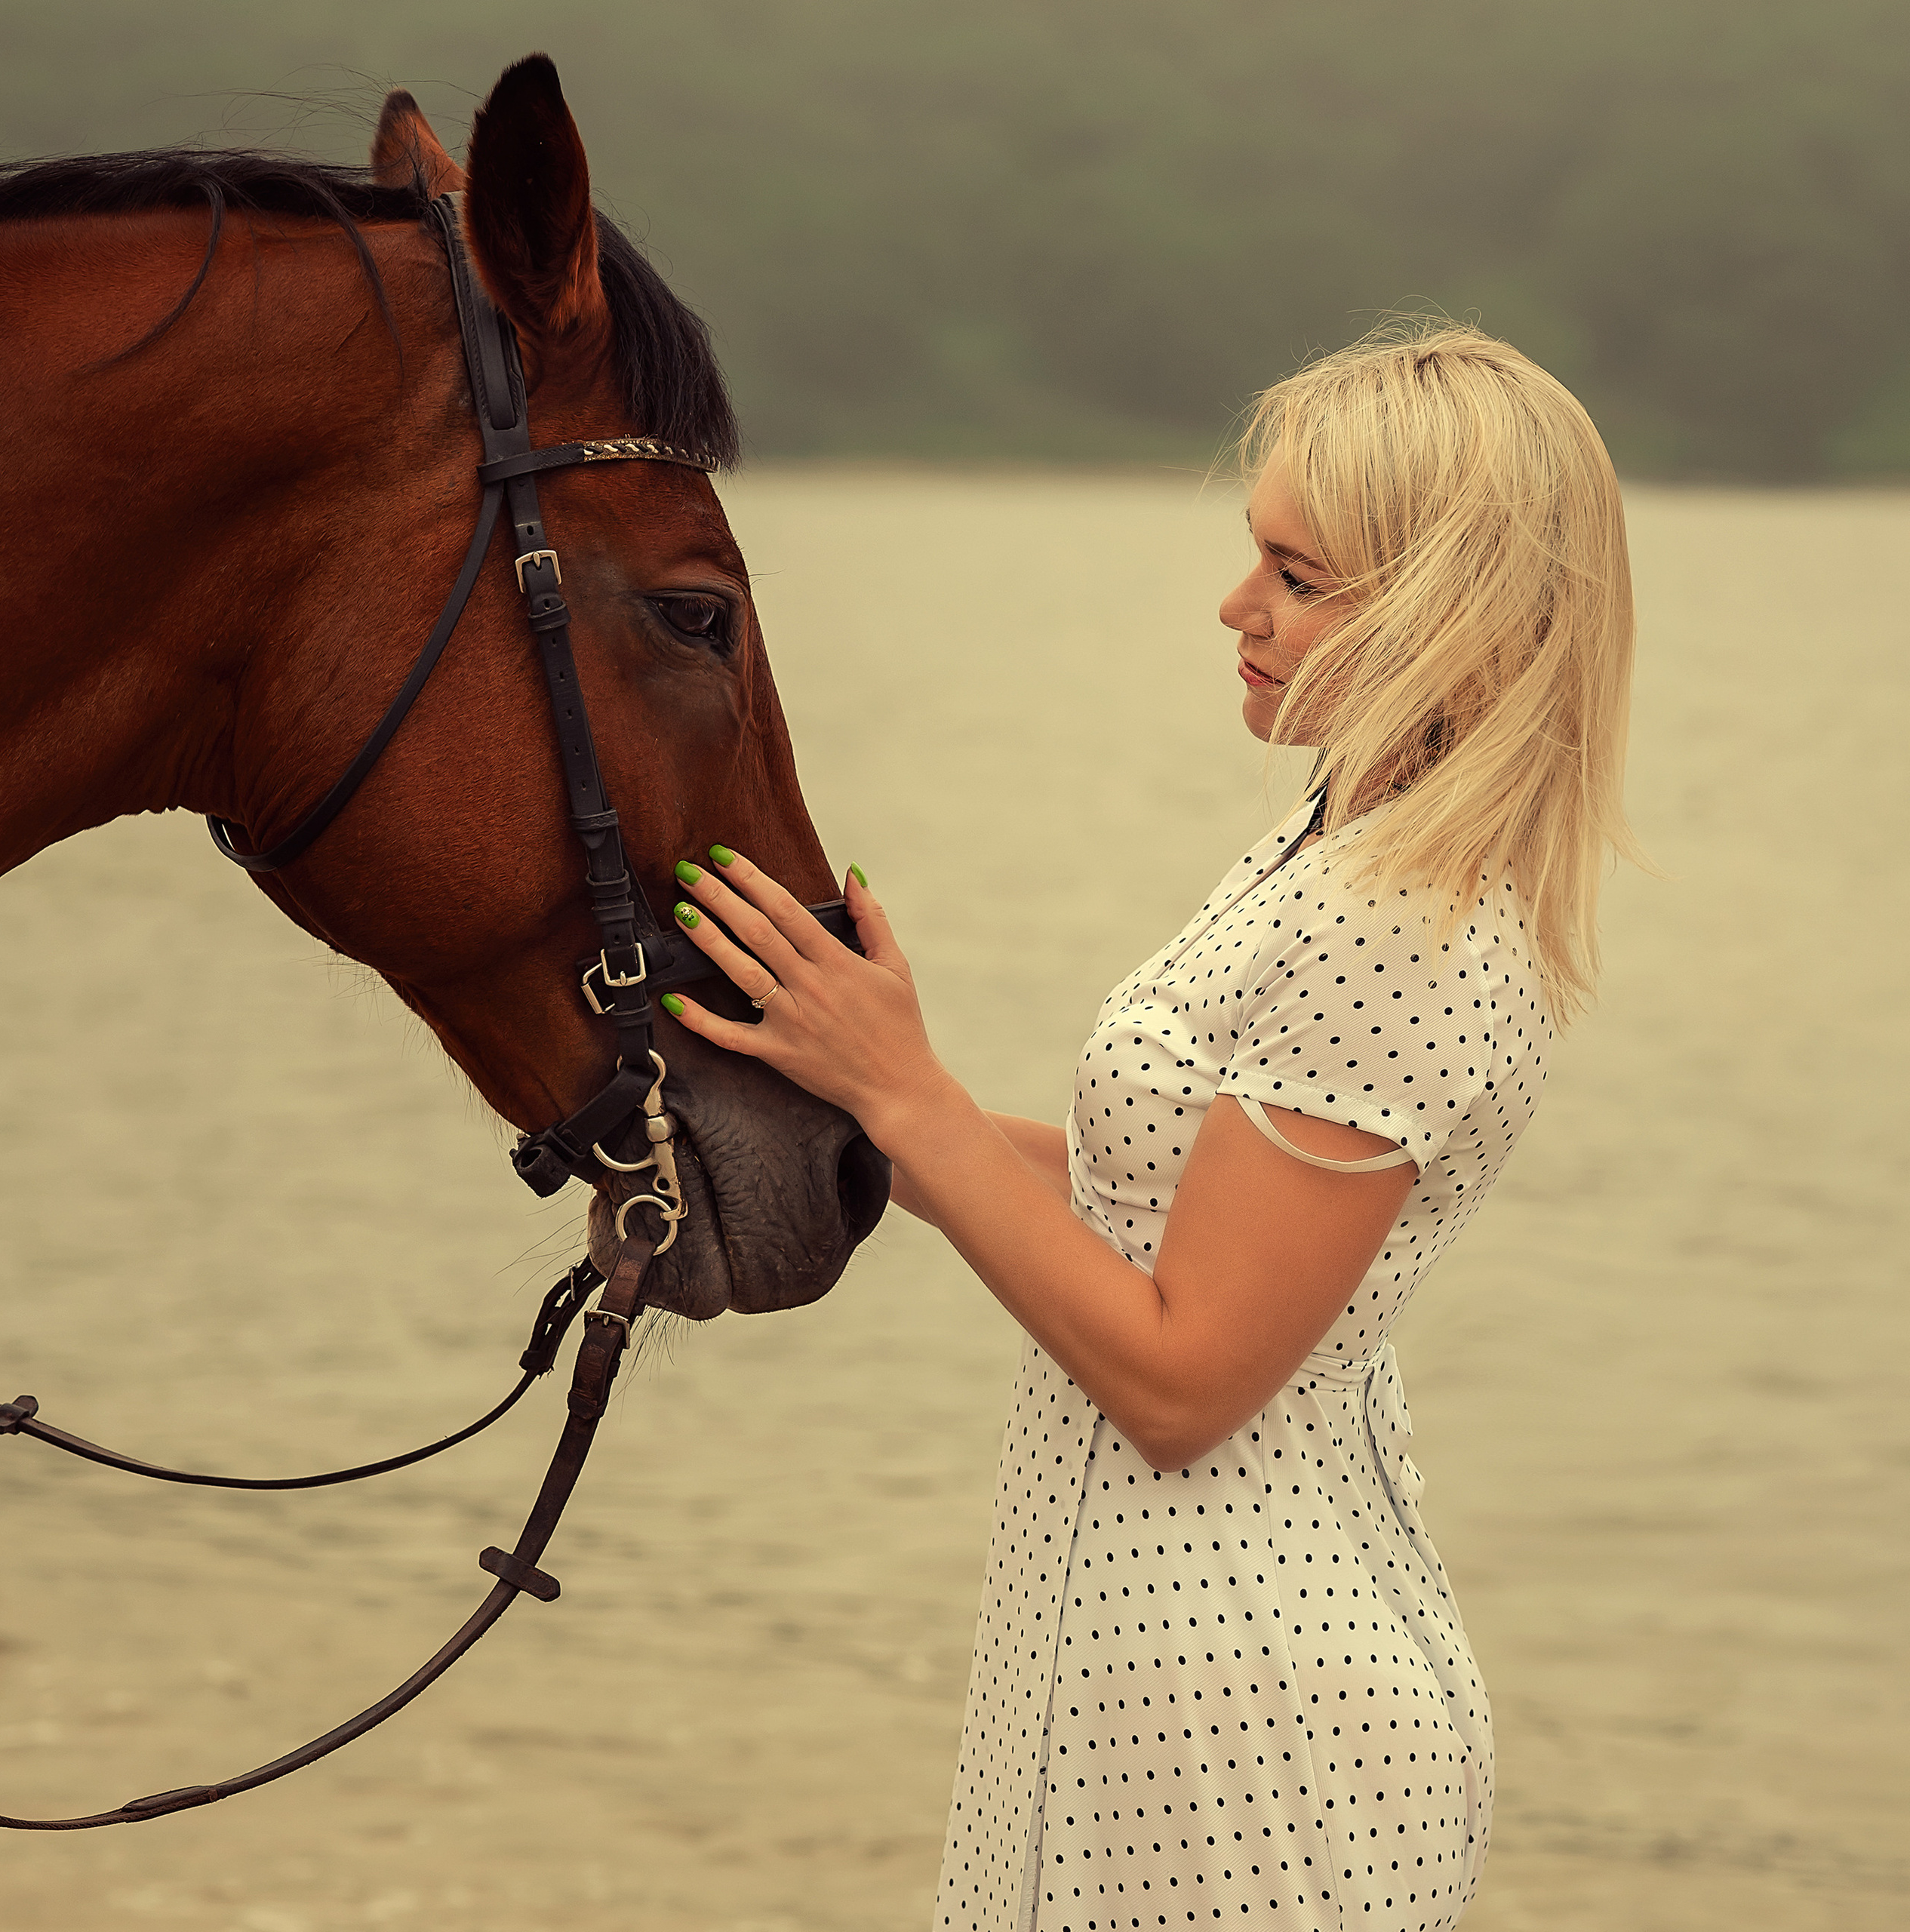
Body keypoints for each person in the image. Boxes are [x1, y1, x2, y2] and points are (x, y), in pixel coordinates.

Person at [655, 321, 1640, 1932]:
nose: (1237, 605)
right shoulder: (1330, 854)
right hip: (1144, 1657)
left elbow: (1183, 1380)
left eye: (1296, 576)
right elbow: (1150, 1197)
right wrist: (845, 1087)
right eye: (1257, 554)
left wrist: (903, 1091)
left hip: (1241, 1724)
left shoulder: (1399, 926)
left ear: (1445, 613)